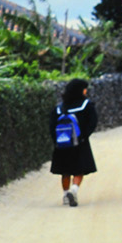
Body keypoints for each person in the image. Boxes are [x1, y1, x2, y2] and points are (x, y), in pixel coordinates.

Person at [49, 78, 97, 207]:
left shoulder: (59, 108)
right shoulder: (85, 105)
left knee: (65, 171)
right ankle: (74, 190)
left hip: (62, 144)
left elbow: (51, 125)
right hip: (79, 143)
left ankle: (65, 194)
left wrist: (56, 141)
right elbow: (92, 122)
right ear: (81, 90)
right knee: (78, 169)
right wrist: (83, 136)